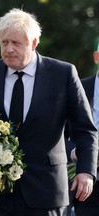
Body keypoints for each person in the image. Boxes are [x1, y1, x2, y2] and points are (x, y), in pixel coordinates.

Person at [0, 8, 98, 216]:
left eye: (16, 43)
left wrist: (86, 172)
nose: (8, 49)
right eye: (4, 42)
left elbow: (85, 129)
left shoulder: (62, 74)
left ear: (34, 43)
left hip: (45, 191)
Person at [65, 44, 99, 216]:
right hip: (81, 185)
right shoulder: (76, 89)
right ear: (96, 57)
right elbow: (55, 134)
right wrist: (73, 152)